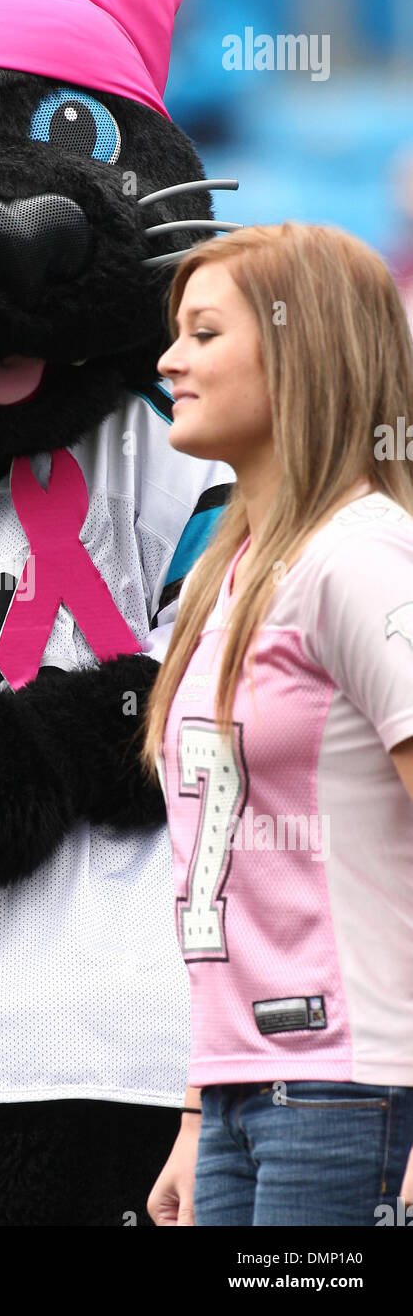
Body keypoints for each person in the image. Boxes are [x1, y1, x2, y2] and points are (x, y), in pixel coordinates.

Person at [141, 221, 413, 1226]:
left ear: (300, 350)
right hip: (241, 1095)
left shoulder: (363, 560)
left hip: (353, 1087)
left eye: (204, 333)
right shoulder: (227, 573)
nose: (168, 358)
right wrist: (196, 1104)